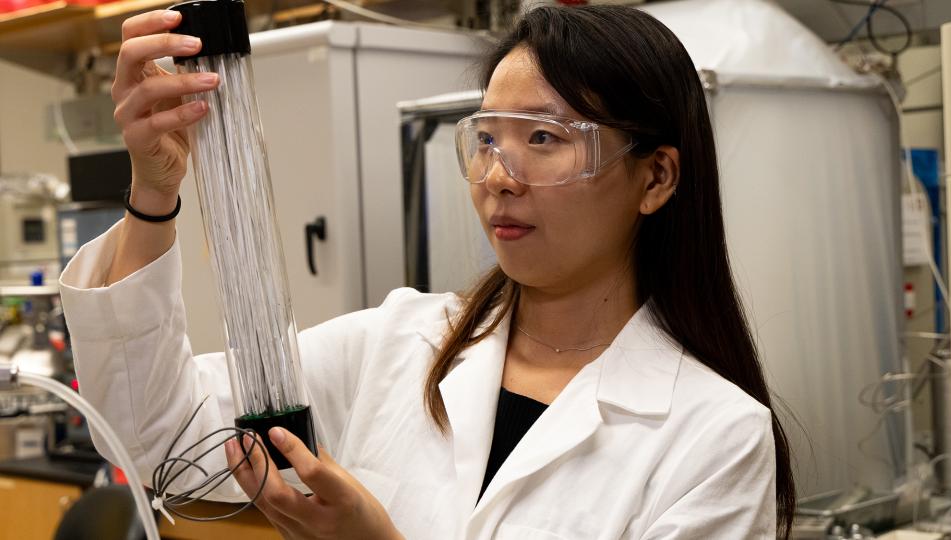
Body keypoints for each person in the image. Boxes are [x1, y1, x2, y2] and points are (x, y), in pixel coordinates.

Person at [59, 5, 795, 539]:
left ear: (656, 177)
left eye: (544, 138)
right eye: (487, 139)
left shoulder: (715, 437)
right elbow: (159, 440)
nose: (498, 177)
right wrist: (154, 191)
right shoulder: (397, 344)